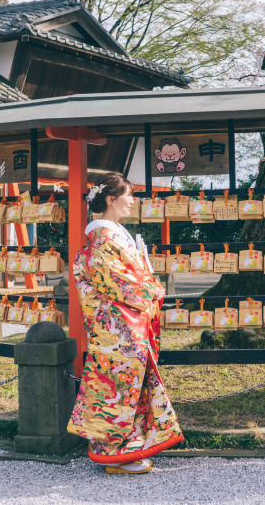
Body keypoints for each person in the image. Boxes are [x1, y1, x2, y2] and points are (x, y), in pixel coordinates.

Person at [68, 172, 184, 474]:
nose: (133, 201)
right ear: (111, 199)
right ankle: (116, 455)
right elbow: (122, 282)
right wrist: (154, 290)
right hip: (117, 332)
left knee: (125, 391)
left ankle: (129, 449)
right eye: (128, 195)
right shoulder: (104, 240)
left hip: (123, 329)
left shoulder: (113, 235)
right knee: (118, 392)